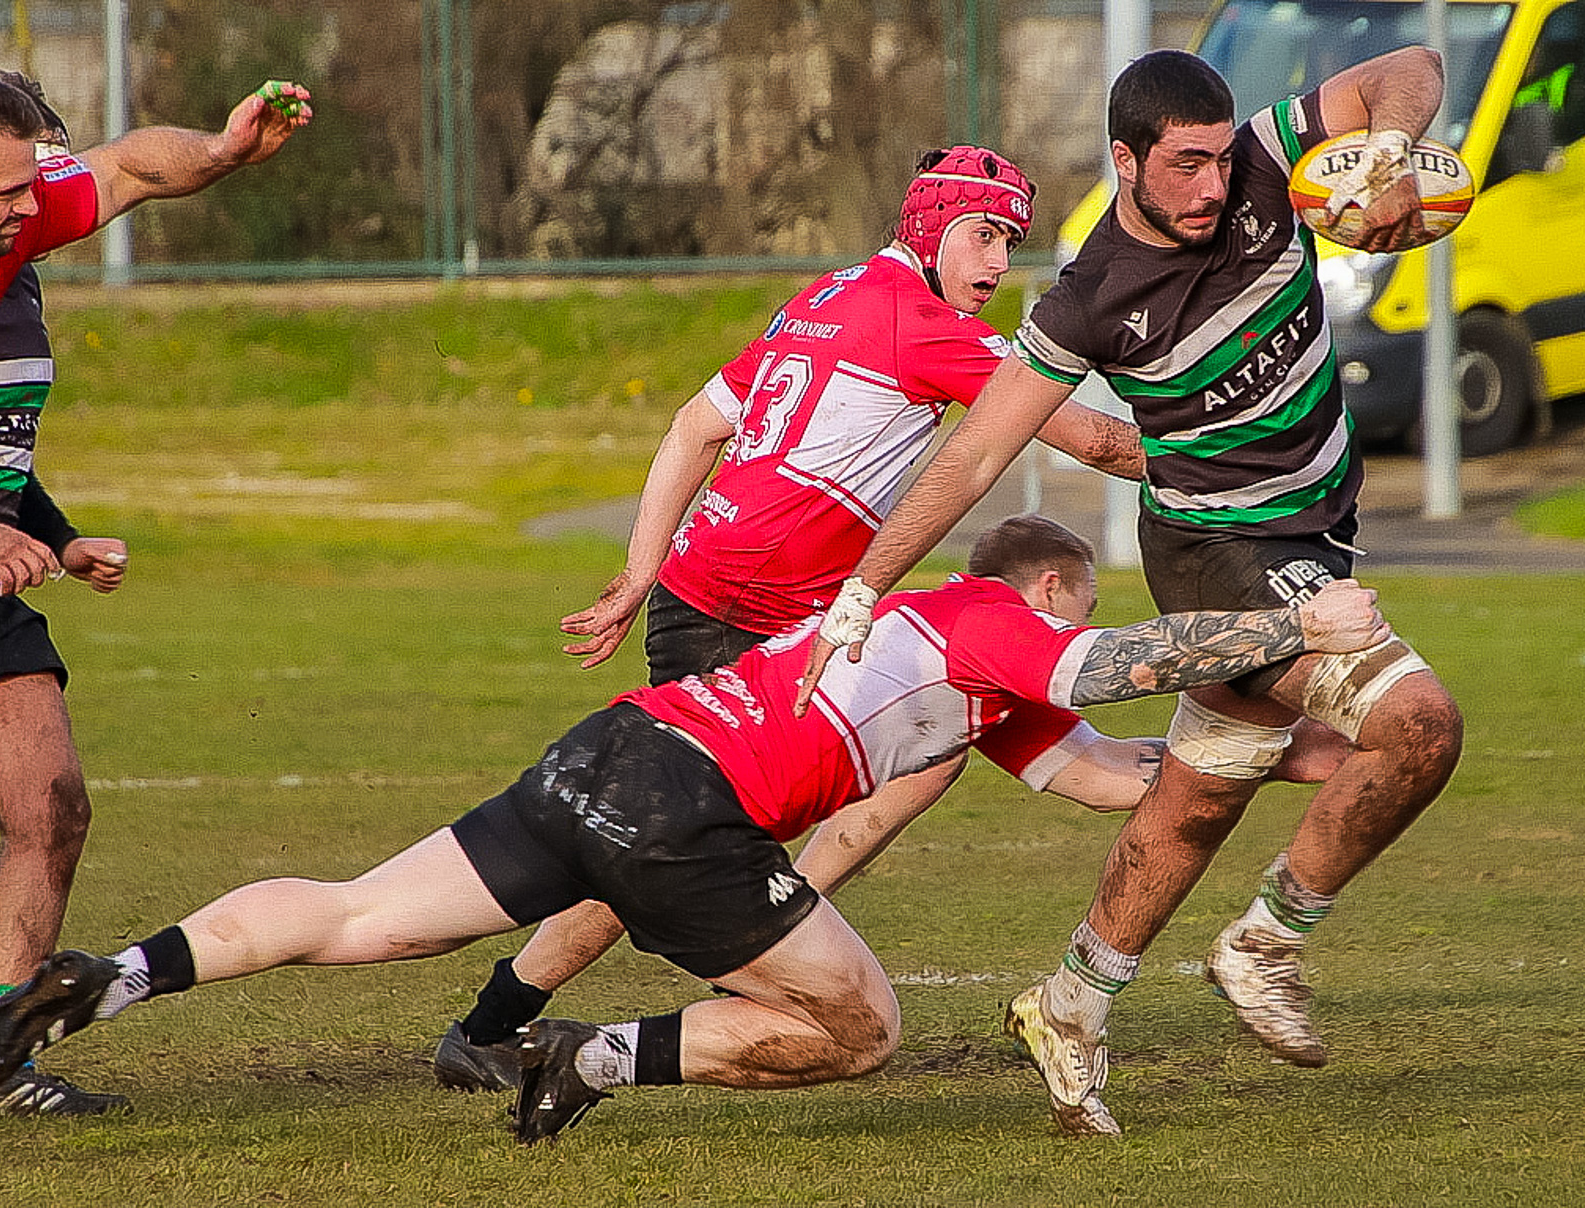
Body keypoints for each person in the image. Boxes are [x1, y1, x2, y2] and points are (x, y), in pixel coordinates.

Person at [0, 517, 1392, 1145]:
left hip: (614, 752)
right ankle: (584, 1056)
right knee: (863, 1029)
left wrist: (1269, 758)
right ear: (1045, 588)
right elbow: (1109, 665)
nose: (1064, 633)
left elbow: (1102, 764)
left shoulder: (962, 671)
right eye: (1069, 608)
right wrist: (1292, 626)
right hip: (686, 812)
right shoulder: (996, 619)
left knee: (355, 914)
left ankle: (109, 977)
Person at [794, 48, 1465, 1136]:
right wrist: (864, 587)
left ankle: (1071, 1001)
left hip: (1321, 526)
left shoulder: (1263, 163)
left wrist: (1384, 156)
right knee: (1421, 723)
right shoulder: (1090, 298)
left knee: (1201, 797)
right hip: (1218, 550)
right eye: (1187, 164)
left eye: (1218, 157)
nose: (1213, 185)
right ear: (1126, 161)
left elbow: (1413, 66)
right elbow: (972, 458)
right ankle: (1268, 940)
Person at [433, 145, 1152, 1089]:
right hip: (751, 617)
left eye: (1009, 243)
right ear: (930, 226)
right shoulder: (921, 322)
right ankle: (503, 1023)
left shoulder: (827, 296)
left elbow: (697, 424)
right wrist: (1232, 462)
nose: (992, 266)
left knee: (923, 747)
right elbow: (1091, 437)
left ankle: (771, 917)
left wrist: (641, 570)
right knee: (657, 842)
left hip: (731, 600)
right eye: (981, 235)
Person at [0, 66, 310, 1112]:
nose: (38, 208)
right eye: (14, 191)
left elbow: (123, 167)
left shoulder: (0, 236)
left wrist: (217, 150)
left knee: (54, 806)